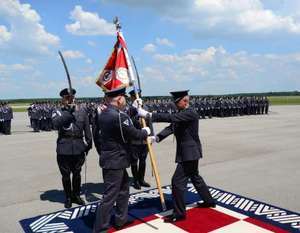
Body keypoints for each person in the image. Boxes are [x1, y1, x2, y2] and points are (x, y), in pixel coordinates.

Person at [135, 90, 216, 223]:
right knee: (195, 177)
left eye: (176, 103)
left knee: (177, 182)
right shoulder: (182, 113)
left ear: (184, 101)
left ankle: (179, 213)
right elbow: (172, 127)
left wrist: (149, 115)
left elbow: (171, 118)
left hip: (189, 153)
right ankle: (209, 201)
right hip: (189, 152)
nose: (175, 105)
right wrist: (156, 138)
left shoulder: (190, 113)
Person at [93, 87, 150, 233]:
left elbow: (122, 118)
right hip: (115, 161)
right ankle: (100, 228)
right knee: (110, 196)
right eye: (124, 98)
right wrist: (145, 132)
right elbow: (133, 133)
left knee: (124, 190)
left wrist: (133, 108)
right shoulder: (118, 116)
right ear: (119, 99)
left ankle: (120, 219)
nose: (125, 100)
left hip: (113, 159)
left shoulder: (105, 113)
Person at [52, 88, 92, 208]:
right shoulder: (58, 111)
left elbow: (87, 129)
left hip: (79, 147)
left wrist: (88, 144)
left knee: (77, 174)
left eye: (71, 97)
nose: (70, 100)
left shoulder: (82, 111)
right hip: (64, 148)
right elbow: (55, 124)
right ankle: (68, 197)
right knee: (65, 175)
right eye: (67, 98)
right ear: (62, 99)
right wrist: (68, 113)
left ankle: (76, 195)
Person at [127, 89, 151, 190]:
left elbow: (150, 122)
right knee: (134, 161)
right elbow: (128, 122)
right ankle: (136, 181)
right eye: (135, 97)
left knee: (143, 161)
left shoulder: (145, 107)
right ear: (132, 98)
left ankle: (141, 179)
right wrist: (136, 112)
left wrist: (151, 136)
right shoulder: (129, 109)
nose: (137, 98)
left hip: (144, 139)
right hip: (134, 139)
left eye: (139, 96)